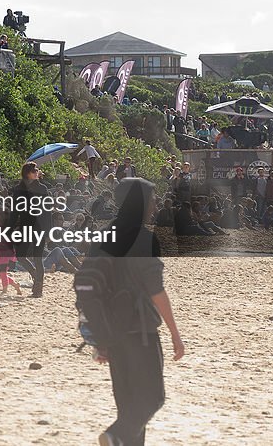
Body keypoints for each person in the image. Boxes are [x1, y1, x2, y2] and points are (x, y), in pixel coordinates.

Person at [92, 178, 185, 446]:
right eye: (152, 200)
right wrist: (175, 335)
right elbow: (156, 290)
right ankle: (115, 435)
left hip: (113, 330)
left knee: (129, 405)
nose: (155, 205)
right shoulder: (144, 239)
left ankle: (119, 436)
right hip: (140, 329)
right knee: (152, 398)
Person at [10, 162, 50, 297]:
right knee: (20, 256)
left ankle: (38, 289)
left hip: (39, 227)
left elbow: (47, 211)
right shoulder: (18, 189)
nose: (37, 172)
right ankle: (35, 275)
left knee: (38, 258)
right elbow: (14, 212)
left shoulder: (42, 188)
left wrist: (48, 230)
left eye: (37, 170)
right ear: (27, 173)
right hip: (24, 227)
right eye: (34, 170)